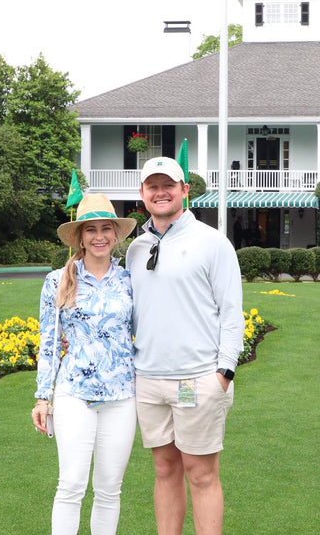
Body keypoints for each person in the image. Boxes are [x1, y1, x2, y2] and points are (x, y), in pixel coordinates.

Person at [126, 157, 245, 535]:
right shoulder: (135, 248)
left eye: (169, 185)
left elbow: (231, 311)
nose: (160, 193)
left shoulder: (212, 243)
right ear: (142, 194)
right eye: (152, 186)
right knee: (165, 470)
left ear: (185, 190)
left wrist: (224, 372)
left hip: (198, 378)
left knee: (202, 473)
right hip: (148, 380)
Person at [32, 193, 138, 535]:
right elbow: (48, 342)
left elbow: (145, 331)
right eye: (90, 229)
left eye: (106, 228)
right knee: (72, 485)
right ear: (79, 236)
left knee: (109, 490)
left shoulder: (129, 280)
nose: (99, 236)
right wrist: (42, 396)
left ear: (116, 234)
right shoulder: (57, 280)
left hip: (122, 396)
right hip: (74, 394)